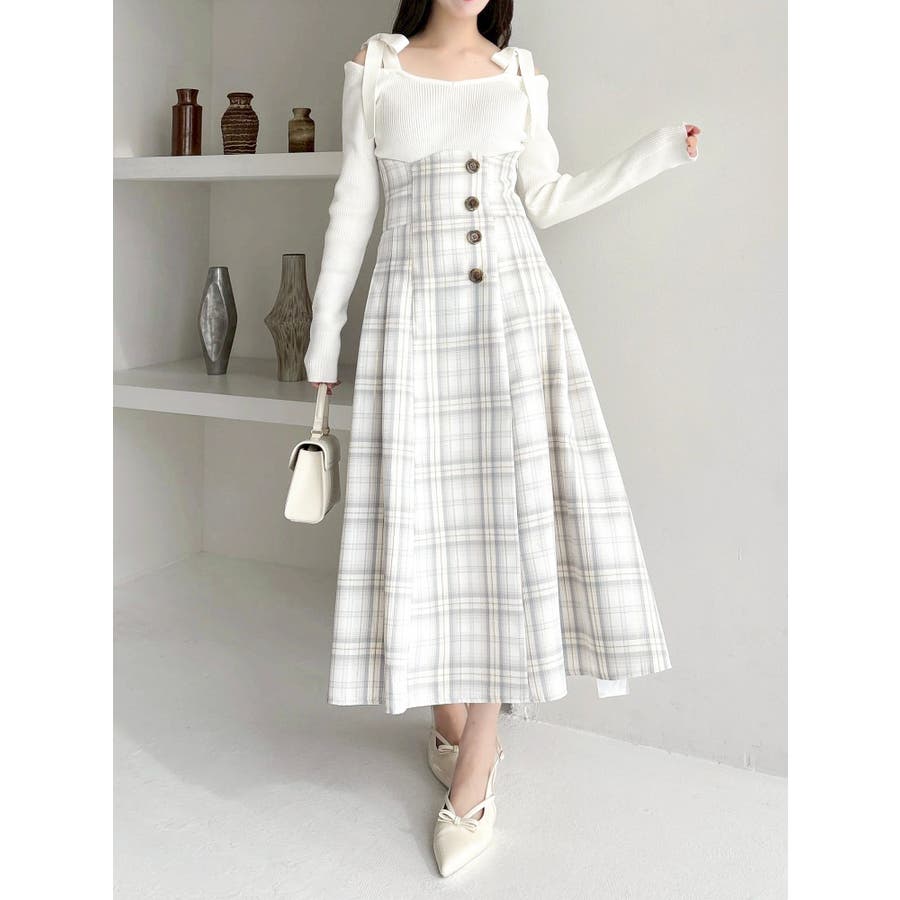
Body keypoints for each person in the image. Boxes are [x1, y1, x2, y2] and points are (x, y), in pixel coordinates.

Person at [305, 0, 701, 877]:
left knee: (504, 529)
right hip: (412, 319)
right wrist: (324, 339)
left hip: (515, 316)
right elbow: (353, 206)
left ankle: (478, 758)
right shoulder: (376, 68)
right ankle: (446, 716)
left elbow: (546, 200)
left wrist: (657, 153)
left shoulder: (519, 73)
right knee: (431, 525)